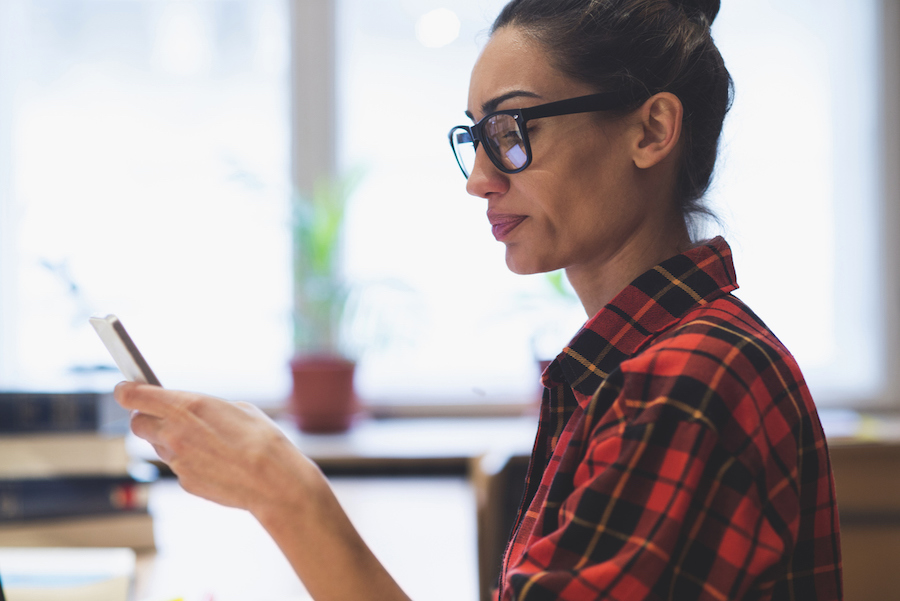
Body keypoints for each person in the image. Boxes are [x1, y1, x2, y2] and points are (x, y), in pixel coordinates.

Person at [115, 0, 843, 599]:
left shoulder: (687, 380)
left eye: (513, 130)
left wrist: (287, 493)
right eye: (476, 137)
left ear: (650, 130)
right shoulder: (644, 363)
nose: (480, 178)